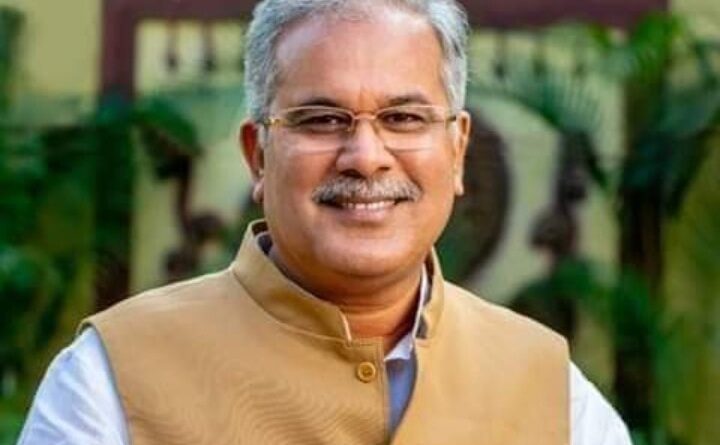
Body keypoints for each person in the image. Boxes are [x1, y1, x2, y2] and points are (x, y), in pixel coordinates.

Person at [17, 1, 633, 444]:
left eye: (404, 118)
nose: (365, 156)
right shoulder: (113, 377)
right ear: (258, 155)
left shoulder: (550, 392)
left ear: (457, 150)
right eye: (321, 120)